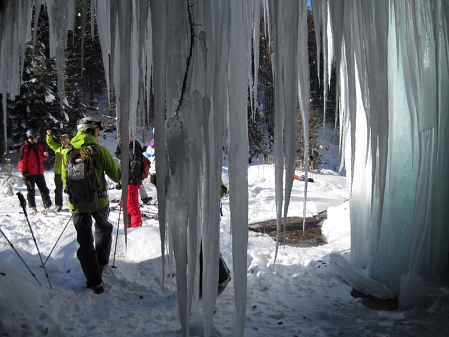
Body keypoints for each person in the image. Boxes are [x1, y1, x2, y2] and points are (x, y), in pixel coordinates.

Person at [61, 117, 121, 294]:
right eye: (97, 131)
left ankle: (94, 281)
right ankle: (101, 263)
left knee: (85, 241)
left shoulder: (68, 152)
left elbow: (66, 179)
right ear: (89, 131)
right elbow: (117, 175)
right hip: (99, 201)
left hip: (77, 205)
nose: (99, 134)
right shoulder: (99, 151)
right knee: (103, 228)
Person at [18, 129, 56, 214]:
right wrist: (24, 173)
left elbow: (42, 157)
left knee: (44, 189)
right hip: (30, 173)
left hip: (39, 173)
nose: (37, 139)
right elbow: (21, 161)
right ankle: (32, 207)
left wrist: (46, 155)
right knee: (31, 191)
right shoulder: (25, 148)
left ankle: (48, 205)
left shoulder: (39, 146)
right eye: (36, 137)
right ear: (31, 137)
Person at [115, 137, 144, 228]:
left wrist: (125, 180)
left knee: (132, 205)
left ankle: (136, 226)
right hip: (128, 182)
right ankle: (128, 226)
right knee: (126, 205)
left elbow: (135, 169)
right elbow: (117, 154)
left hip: (132, 182)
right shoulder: (127, 151)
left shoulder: (135, 151)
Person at [46, 130, 71, 211]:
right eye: (61, 140)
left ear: (68, 141)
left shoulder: (70, 149)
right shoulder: (58, 148)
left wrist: (65, 159)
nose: (62, 142)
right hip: (58, 173)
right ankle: (58, 205)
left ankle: (73, 204)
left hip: (67, 173)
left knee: (70, 190)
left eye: (64, 140)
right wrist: (49, 135)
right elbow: (50, 143)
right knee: (58, 190)